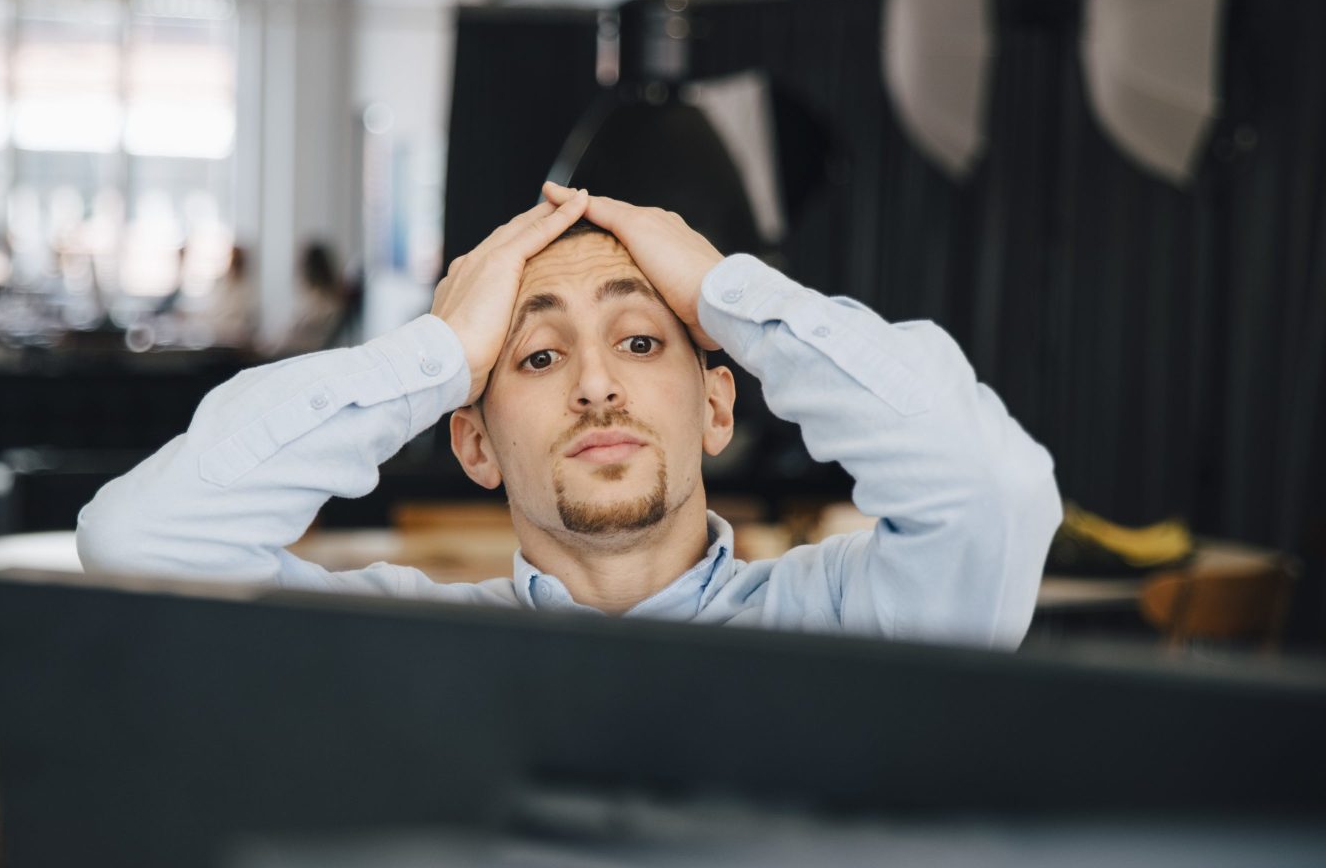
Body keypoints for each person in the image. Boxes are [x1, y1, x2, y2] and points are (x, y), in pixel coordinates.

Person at [77, 184, 1061, 649]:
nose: (597, 386)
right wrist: (440, 352)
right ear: (473, 441)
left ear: (718, 405)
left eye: (640, 343)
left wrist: (727, 293)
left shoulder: (856, 627)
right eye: (539, 357)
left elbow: (997, 492)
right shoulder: (398, 644)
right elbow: (138, 538)